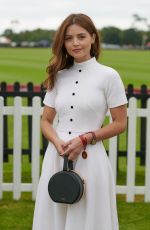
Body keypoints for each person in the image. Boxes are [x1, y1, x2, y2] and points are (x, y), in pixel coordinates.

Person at [32, 13, 127, 230]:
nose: (75, 43)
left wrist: (85, 138)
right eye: (68, 38)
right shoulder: (58, 76)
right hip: (58, 157)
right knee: (54, 218)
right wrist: (57, 143)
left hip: (90, 157)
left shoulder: (109, 76)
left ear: (93, 38)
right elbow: (46, 121)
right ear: (62, 43)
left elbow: (120, 123)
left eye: (81, 36)